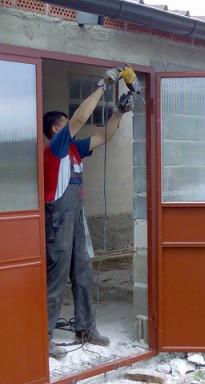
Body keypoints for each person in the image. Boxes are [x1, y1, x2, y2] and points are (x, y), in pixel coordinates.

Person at [43, 67, 135, 360]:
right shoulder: (56, 149)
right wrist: (103, 85)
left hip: (76, 217)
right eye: (66, 125)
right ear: (57, 130)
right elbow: (80, 118)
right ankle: (43, 337)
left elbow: (103, 137)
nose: (74, 128)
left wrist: (118, 114)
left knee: (82, 273)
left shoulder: (74, 150)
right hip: (58, 219)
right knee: (56, 278)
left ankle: (86, 328)